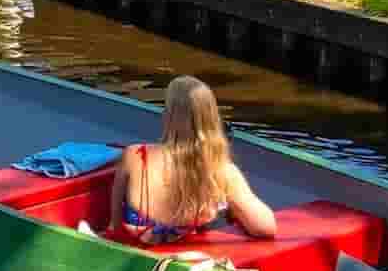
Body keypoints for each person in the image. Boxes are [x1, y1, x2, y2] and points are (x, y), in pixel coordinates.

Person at [108, 76, 276, 244]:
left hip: (137, 253)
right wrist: (234, 206)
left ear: (168, 115)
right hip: (188, 255)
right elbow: (265, 227)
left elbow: (115, 227)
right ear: (212, 120)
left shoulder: (135, 155)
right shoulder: (220, 170)